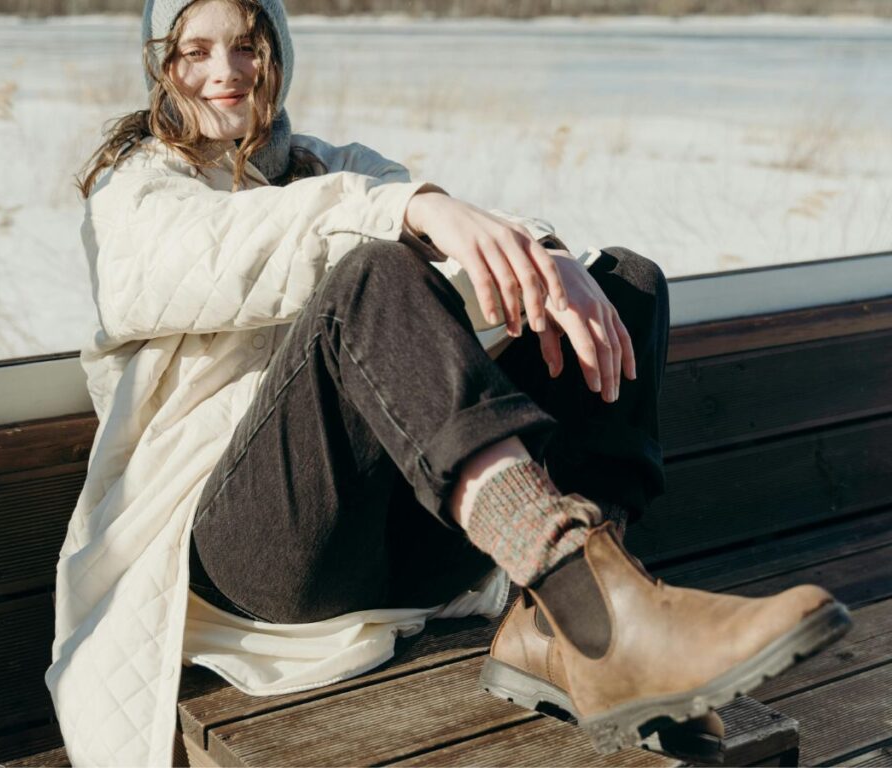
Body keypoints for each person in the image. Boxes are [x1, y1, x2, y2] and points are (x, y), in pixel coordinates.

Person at [47, 0, 852, 765]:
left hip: (394, 545)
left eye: (247, 44)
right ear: (161, 66)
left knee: (621, 284)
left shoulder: (336, 170)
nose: (225, 70)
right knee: (373, 270)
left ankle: (569, 634)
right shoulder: (135, 188)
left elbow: (463, 248)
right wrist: (413, 210)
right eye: (194, 50)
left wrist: (547, 256)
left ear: (277, 52)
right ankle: (594, 609)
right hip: (253, 558)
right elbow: (230, 251)